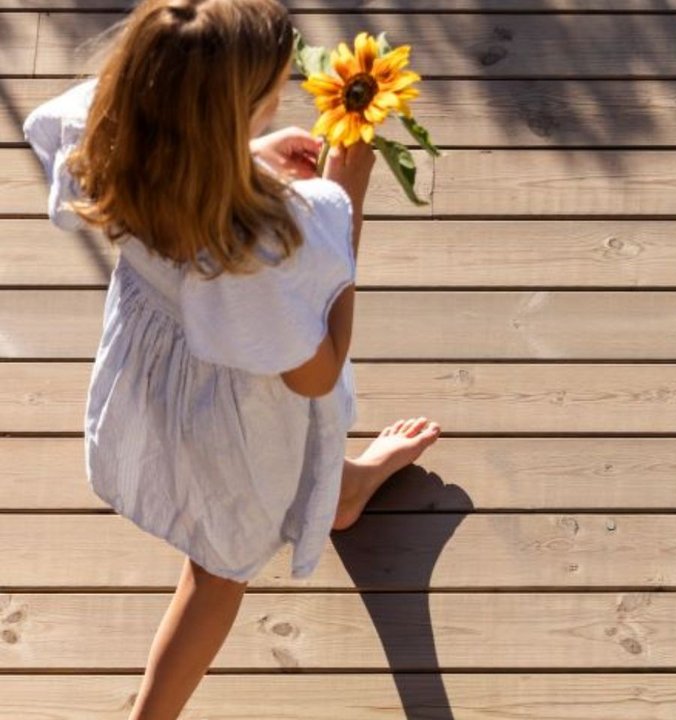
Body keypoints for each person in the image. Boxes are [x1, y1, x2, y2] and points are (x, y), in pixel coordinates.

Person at [23, 1, 441, 716]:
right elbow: (317, 369)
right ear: (236, 111)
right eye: (273, 90)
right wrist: (342, 207)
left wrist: (246, 159)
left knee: (295, 450)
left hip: (158, 367)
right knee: (217, 573)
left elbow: (171, 145)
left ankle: (335, 490)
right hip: (231, 415)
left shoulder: (107, 135)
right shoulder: (266, 244)